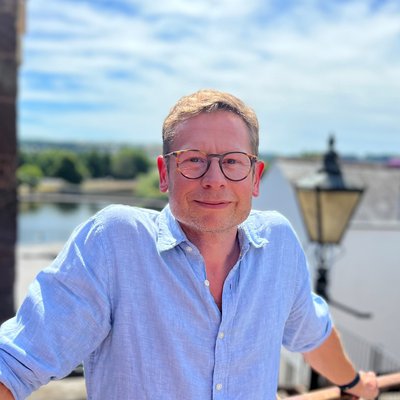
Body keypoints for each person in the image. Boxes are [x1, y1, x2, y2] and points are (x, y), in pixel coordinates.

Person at [0, 89, 378, 399]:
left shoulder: (278, 244)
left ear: (255, 178)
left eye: (232, 161)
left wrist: (353, 383)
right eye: (193, 160)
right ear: (164, 174)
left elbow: (313, 332)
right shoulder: (115, 242)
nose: (215, 179)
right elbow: (15, 363)